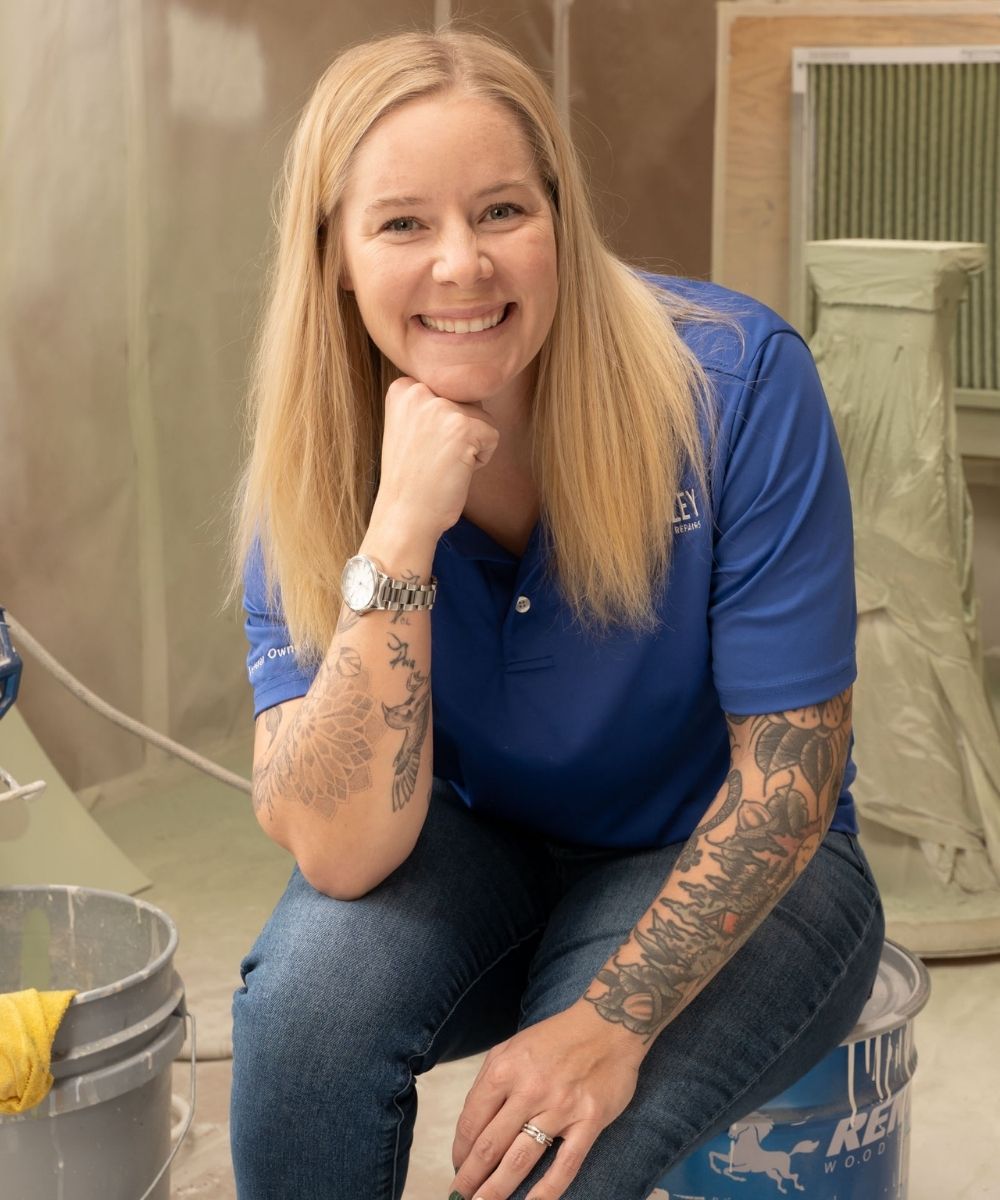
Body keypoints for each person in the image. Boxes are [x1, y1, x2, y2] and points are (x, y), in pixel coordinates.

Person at [229, 28, 884, 1200]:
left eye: (500, 212)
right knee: (299, 1033)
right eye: (400, 224)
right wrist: (400, 531)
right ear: (332, 252)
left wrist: (607, 1025)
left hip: (723, 851)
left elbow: (789, 782)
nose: (461, 267)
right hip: (478, 854)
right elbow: (339, 849)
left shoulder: (733, 388)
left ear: (560, 222)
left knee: (545, 1163)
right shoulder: (317, 458)